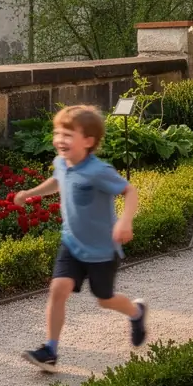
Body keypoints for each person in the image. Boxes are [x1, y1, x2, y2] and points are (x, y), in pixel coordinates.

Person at [15, 105, 147, 370]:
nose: (60, 139)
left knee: (104, 299)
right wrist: (31, 192)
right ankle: (50, 350)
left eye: (67, 134)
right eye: (57, 133)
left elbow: (130, 191)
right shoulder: (61, 164)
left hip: (102, 250)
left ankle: (136, 312)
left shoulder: (99, 171)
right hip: (72, 243)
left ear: (88, 141)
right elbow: (57, 181)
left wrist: (125, 221)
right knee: (58, 288)